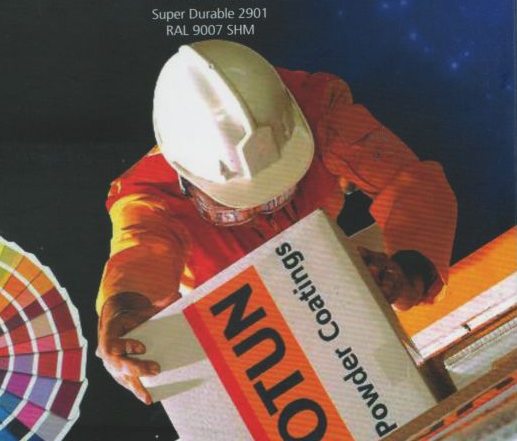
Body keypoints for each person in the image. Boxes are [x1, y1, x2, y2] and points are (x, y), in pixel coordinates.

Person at [96, 40, 457, 403]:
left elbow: (410, 181)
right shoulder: (148, 199)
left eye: (277, 191)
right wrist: (123, 307)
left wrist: (411, 271)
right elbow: (138, 254)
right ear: (184, 176)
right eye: (237, 205)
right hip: (251, 346)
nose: (265, 211)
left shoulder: (319, 109)